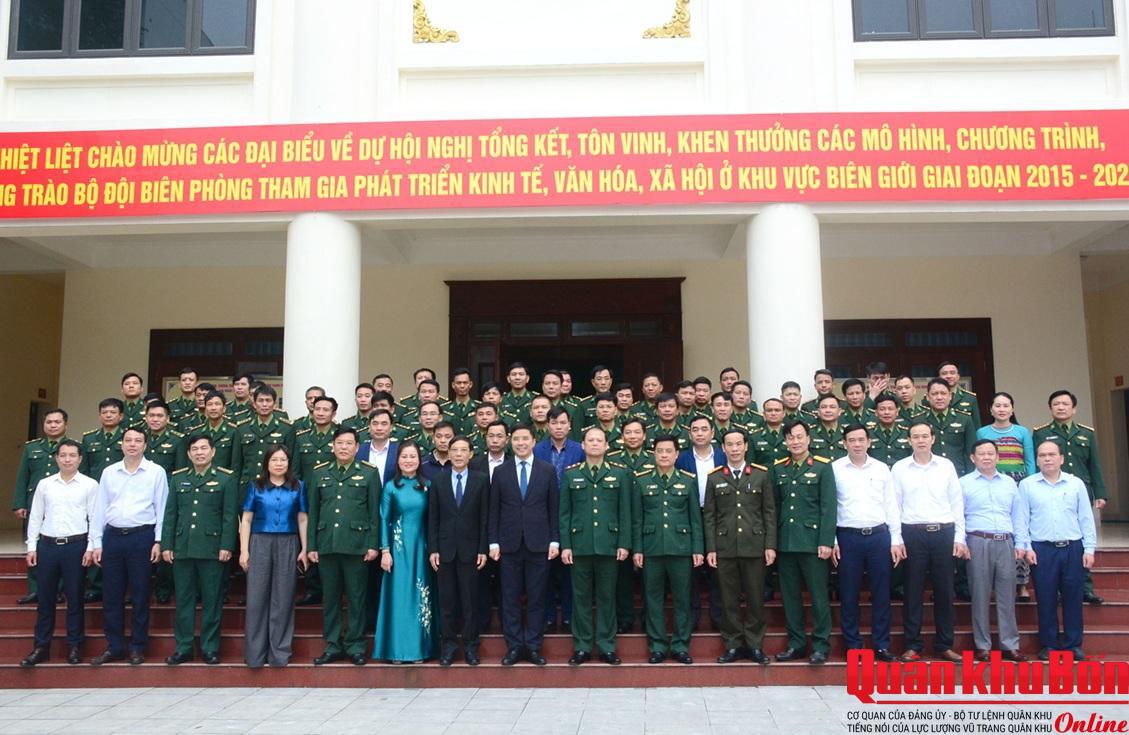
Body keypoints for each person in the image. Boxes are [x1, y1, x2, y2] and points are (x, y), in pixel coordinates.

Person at [90, 426, 170, 665]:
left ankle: (137, 646)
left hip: (142, 538)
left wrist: (158, 540)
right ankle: (114, 646)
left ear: (145, 445)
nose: (132, 444)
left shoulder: (156, 472)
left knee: (140, 594)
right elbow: (99, 509)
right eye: (128, 440)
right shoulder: (109, 472)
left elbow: (162, 508)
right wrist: (96, 542)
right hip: (113, 538)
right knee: (111, 595)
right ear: (121, 444)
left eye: (137, 440)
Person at [892, 421, 967, 663]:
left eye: (925, 436)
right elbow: (894, 505)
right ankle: (912, 645)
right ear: (909, 440)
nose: (921, 440)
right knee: (912, 591)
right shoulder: (900, 468)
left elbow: (956, 503)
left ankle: (945, 645)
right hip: (912, 534)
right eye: (916, 436)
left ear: (933, 439)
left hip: (943, 533)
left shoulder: (946, 466)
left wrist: (959, 537)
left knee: (944, 591)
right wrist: (896, 538)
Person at [1016, 441, 1098, 660]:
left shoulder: (1075, 484)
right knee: (1045, 597)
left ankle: (1073, 644)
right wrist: (1026, 546)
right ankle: (1049, 644)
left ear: (1061, 458)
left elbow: (1085, 518)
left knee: (1073, 597)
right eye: (1042, 455)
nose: (1047, 459)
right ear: (1037, 460)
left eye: (1052, 454)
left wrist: (1089, 549)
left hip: (1072, 547)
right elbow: (1022, 519)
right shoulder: (1027, 485)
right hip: (1042, 549)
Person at [161, 434, 238, 665]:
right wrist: (167, 545)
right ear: (188, 453)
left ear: (213, 452)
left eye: (204, 448)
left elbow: (229, 516)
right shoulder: (178, 478)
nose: (199, 453)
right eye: (194, 449)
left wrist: (227, 545)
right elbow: (171, 514)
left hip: (212, 549)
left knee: (212, 601)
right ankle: (183, 647)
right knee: (183, 601)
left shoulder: (225, 478)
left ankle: (209, 647)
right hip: (182, 548)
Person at [19, 439, 97, 667]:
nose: (67, 459)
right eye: (63, 455)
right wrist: (31, 547)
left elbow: (94, 518)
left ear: (80, 459)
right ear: (56, 458)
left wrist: (91, 547)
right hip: (48, 546)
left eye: (72, 455)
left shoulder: (90, 485)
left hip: (76, 546)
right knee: (45, 600)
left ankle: (74, 646)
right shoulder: (45, 484)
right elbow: (36, 516)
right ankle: (41, 646)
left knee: (75, 599)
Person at [308, 427, 381, 665]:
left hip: (357, 545)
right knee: (330, 599)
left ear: (357, 447)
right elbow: (313, 512)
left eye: (349, 443)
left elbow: (374, 512)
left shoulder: (369, 473)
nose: (344, 447)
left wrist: (373, 544)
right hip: (327, 544)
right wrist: (311, 546)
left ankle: (356, 645)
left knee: (357, 599)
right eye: (339, 443)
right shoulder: (320, 473)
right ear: (333, 445)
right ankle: (332, 645)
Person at [560, 426, 632, 666]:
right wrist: (566, 545)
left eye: (599, 440)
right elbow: (565, 513)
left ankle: (606, 646)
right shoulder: (571, 474)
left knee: (607, 597)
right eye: (590, 440)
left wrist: (624, 543)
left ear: (607, 445)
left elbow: (625, 512)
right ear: (582, 445)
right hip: (579, 545)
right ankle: (581, 646)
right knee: (580, 598)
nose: (594, 444)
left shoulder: (619, 474)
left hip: (609, 545)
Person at [489, 424, 559, 666]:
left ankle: (533, 646)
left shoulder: (547, 470)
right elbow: (494, 509)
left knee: (537, 598)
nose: (520, 443)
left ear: (533, 441)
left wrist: (555, 539)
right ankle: (514, 647)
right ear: (511, 441)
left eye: (525, 439)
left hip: (539, 544)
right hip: (508, 545)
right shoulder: (501, 471)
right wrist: (493, 541)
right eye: (516, 439)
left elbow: (553, 508)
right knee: (510, 598)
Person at [831, 425, 902, 663]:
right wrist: (832, 539)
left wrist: (896, 539)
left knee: (881, 594)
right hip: (847, 537)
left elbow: (891, 504)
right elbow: (830, 507)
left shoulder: (881, 469)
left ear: (869, 442)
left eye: (861, 439)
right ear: (844, 443)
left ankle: (882, 645)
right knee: (848, 593)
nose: (857, 444)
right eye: (852, 440)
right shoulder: (835, 469)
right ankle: (853, 645)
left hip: (879, 536)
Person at [704, 429, 775, 665]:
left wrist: (770, 545)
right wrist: (711, 548)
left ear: (746, 446)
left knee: (755, 598)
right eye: (729, 445)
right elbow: (710, 516)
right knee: (728, 600)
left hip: (754, 546)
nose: (734, 449)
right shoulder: (714, 477)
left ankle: (755, 645)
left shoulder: (760, 475)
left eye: (738, 444)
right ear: (723, 448)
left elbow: (768, 512)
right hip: (725, 547)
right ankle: (733, 644)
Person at [1033, 389, 1108, 605]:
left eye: (1065, 404)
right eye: (1056, 404)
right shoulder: (1041, 433)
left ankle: (1086, 588)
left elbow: (1094, 464)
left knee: (1081, 539)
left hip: (1079, 490)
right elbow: (1038, 463)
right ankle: (1057, 589)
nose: (1061, 407)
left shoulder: (1086, 433)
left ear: (1074, 408)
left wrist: (1100, 493)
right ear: (1050, 408)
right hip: (1051, 490)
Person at [632, 435, 702, 664]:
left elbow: (695, 519)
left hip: (681, 548)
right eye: (660, 451)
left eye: (668, 451)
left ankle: (681, 646)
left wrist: (697, 549)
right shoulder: (642, 480)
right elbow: (637, 520)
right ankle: (658, 646)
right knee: (653, 599)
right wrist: (638, 549)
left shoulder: (688, 481)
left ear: (676, 454)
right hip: (651, 549)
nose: (664, 455)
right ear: (653, 454)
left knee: (682, 600)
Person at [773, 419, 836, 665]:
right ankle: (796, 644)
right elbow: (774, 507)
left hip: (813, 543)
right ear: (785, 441)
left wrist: (826, 541)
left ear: (808, 439)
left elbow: (828, 507)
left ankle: (820, 645)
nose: (795, 441)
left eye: (800, 436)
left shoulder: (822, 467)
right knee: (790, 597)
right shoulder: (779, 468)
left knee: (819, 596)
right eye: (791, 437)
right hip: (786, 542)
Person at [239, 444, 308, 668]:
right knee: (256, 598)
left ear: (289, 463)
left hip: (288, 542)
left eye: (283, 460)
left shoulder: (298, 486)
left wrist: (305, 549)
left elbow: (302, 519)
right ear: (266, 463)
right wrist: (244, 550)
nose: (279, 464)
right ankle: (255, 654)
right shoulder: (256, 486)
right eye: (274, 460)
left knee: (283, 597)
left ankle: (279, 652)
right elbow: (246, 519)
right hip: (260, 541)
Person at [961, 439, 1026, 662]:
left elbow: (1017, 515)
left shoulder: (1009, 483)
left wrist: (1020, 543)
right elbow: (958, 515)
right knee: (979, 594)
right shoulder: (964, 483)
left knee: (1007, 595)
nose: (986, 457)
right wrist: (961, 542)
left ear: (998, 457)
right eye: (982, 454)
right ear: (973, 458)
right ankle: (983, 646)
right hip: (977, 541)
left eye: (991, 453)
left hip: (1005, 542)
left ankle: (1010, 644)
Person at [427, 436, 489, 666]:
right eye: (454, 450)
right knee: (447, 603)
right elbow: (433, 517)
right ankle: (449, 647)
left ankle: (471, 647)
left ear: (471, 454)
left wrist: (483, 548)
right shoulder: (438, 480)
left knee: (470, 602)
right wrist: (433, 548)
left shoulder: (481, 480)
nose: (459, 454)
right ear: (449, 453)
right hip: (444, 550)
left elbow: (484, 518)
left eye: (463, 450)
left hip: (471, 550)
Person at [375, 441, 439, 663]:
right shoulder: (391, 487)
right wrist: (385, 550)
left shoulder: (428, 485)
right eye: (404, 457)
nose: (408, 460)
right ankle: (396, 650)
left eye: (413, 456)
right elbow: (383, 519)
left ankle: (419, 649)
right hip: (398, 549)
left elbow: (434, 520)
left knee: (420, 596)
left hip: (422, 548)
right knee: (399, 597)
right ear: (398, 460)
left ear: (419, 460)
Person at [976, 391, 1036, 600]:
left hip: (1018, 482)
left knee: (1018, 530)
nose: (1001, 409)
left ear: (1012, 409)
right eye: (997, 405)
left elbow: (1030, 460)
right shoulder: (982, 432)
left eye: (1006, 405)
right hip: (990, 481)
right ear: (991, 410)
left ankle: (1022, 584)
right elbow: (979, 458)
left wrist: (1029, 484)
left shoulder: (1022, 432)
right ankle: (996, 581)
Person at [13, 407, 70, 605]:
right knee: (34, 544)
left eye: (57, 422)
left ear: (66, 425)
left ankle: (57, 589)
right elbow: (23, 476)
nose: (53, 425)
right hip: (35, 503)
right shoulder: (32, 447)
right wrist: (19, 503)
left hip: (62, 504)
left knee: (61, 546)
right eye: (49, 422)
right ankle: (35, 589)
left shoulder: (72, 447)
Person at [534, 406, 584, 632]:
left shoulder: (579, 450)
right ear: (547, 425)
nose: (558, 427)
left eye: (563, 422)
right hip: (543, 515)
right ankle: (548, 616)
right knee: (545, 570)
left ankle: (568, 616)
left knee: (569, 569)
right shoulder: (537, 449)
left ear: (570, 425)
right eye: (554, 423)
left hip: (572, 514)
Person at [676, 415, 724, 631]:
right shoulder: (681, 458)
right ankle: (692, 617)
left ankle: (718, 617)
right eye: (695, 429)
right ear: (689, 434)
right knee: (691, 569)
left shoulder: (723, 456)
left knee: (718, 569)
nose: (700, 433)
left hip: (719, 517)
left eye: (704, 429)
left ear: (712, 433)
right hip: (689, 516)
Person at [233, 385, 296, 488]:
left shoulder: (286, 428)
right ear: (254, 404)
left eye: (268, 400)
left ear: (274, 404)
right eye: (260, 400)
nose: (264, 404)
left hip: (275, 486)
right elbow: (236, 465)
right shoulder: (242, 428)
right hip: (247, 486)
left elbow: (292, 461)